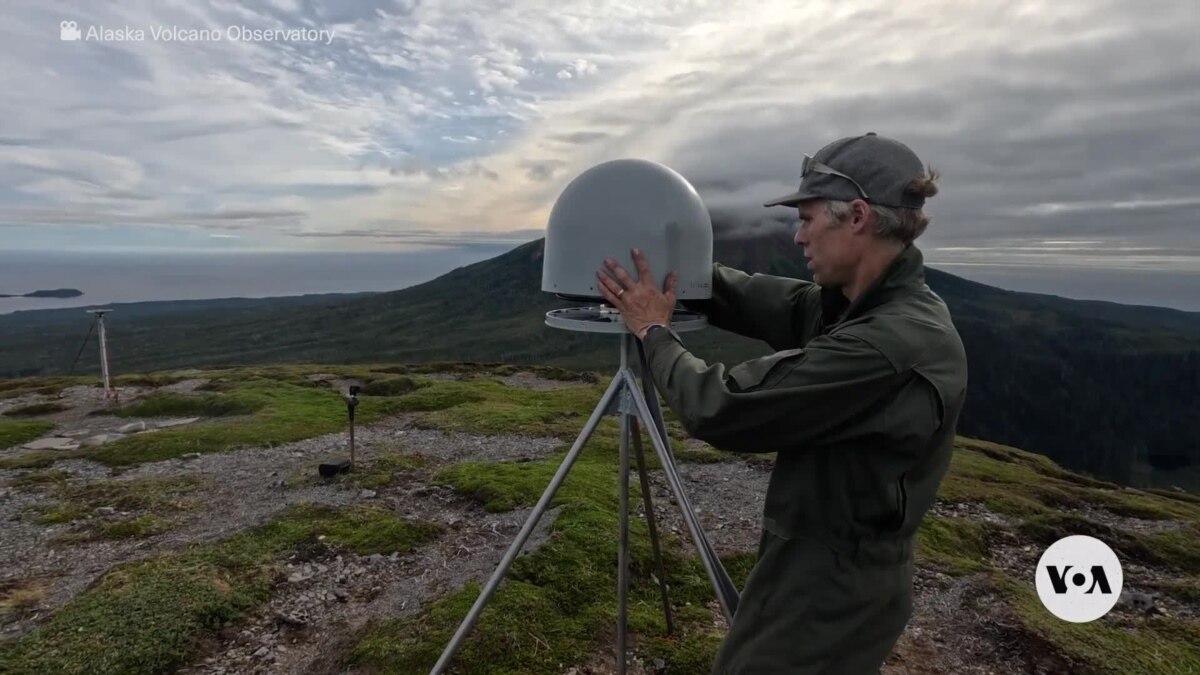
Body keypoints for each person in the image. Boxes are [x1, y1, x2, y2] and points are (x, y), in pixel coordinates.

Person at [594, 132, 969, 674]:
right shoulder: (860, 307)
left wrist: (653, 329)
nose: (797, 237)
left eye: (808, 218)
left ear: (858, 216)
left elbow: (720, 406)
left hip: (832, 587)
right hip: (822, 563)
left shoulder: (888, 343)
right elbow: (762, 298)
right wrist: (670, 271)